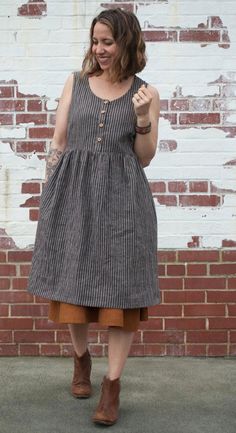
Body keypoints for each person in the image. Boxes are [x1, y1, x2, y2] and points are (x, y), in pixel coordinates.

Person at [27, 7, 160, 426]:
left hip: (124, 199)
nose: (100, 50)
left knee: (122, 293)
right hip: (74, 194)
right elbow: (60, 140)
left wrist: (141, 120)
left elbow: (145, 158)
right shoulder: (76, 83)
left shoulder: (146, 93)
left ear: (127, 42)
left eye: (108, 41)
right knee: (72, 283)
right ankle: (81, 360)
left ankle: (112, 386)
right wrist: (50, 195)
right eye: (95, 41)